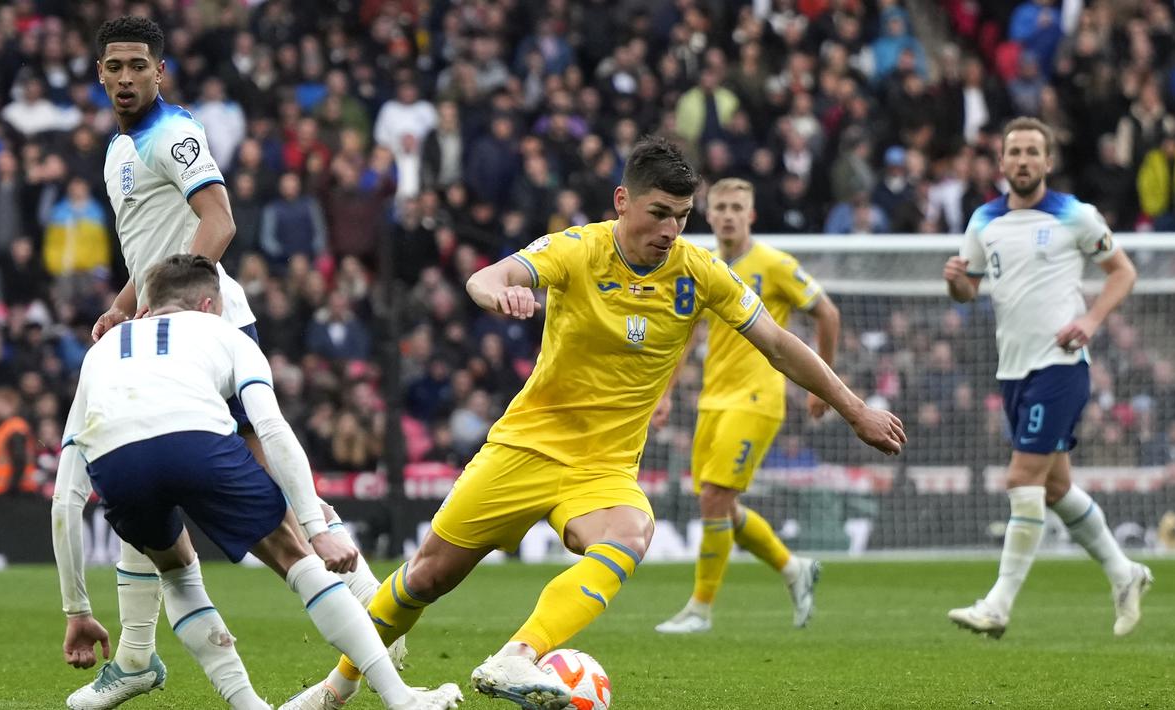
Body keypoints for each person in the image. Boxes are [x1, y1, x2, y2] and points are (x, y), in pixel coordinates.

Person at [282, 137, 905, 710]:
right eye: (659, 212)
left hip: (602, 467)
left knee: (631, 534)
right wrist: (499, 293)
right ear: (622, 200)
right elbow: (485, 276)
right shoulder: (579, 248)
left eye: (682, 216)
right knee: (424, 577)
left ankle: (516, 657)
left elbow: (778, 342)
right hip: (524, 447)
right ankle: (335, 689)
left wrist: (856, 410)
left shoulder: (698, 271)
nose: (671, 229)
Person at [65, 17, 387, 710]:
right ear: (98, 73)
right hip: (164, 319)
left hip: (208, 320)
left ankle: (358, 589)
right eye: (114, 65)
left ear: (161, 72)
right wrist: (124, 305)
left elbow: (218, 223)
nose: (125, 76)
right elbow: (151, 251)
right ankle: (135, 654)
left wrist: (174, 310)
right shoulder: (119, 150)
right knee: (142, 470)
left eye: (137, 65)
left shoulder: (174, 134)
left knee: (251, 462)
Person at [50, 255, 461, 710]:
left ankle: (249, 706)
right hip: (196, 443)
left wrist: (78, 611)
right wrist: (316, 530)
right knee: (296, 558)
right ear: (208, 304)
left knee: (176, 573)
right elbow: (272, 428)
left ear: (149, 306)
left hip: (118, 463)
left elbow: (64, 500)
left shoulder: (101, 351)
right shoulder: (223, 332)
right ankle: (399, 697)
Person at [943, 117, 1152, 639]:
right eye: (1014, 152)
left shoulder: (1074, 215)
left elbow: (1123, 271)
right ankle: (1125, 574)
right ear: (1001, 162)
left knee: (1021, 480)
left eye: (1033, 152)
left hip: (1059, 366)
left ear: (1048, 162)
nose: (1022, 160)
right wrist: (956, 286)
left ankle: (998, 605)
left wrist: (1091, 320)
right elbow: (968, 289)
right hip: (1012, 369)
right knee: (1056, 487)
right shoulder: (983, 220)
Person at [653, 177, 842, 634]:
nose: (730, 214)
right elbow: (685, 337)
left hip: (758, 397)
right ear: (708, 215)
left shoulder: (774, 264)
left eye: (738, 206)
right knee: (719, 506)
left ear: (751, 215)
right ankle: (793, 568)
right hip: (712, 399)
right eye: (721, 207)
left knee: (717, 498)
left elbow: (827, 313)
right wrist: (664, 393)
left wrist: (822, 386)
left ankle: (700, 609)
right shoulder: (703, 267)